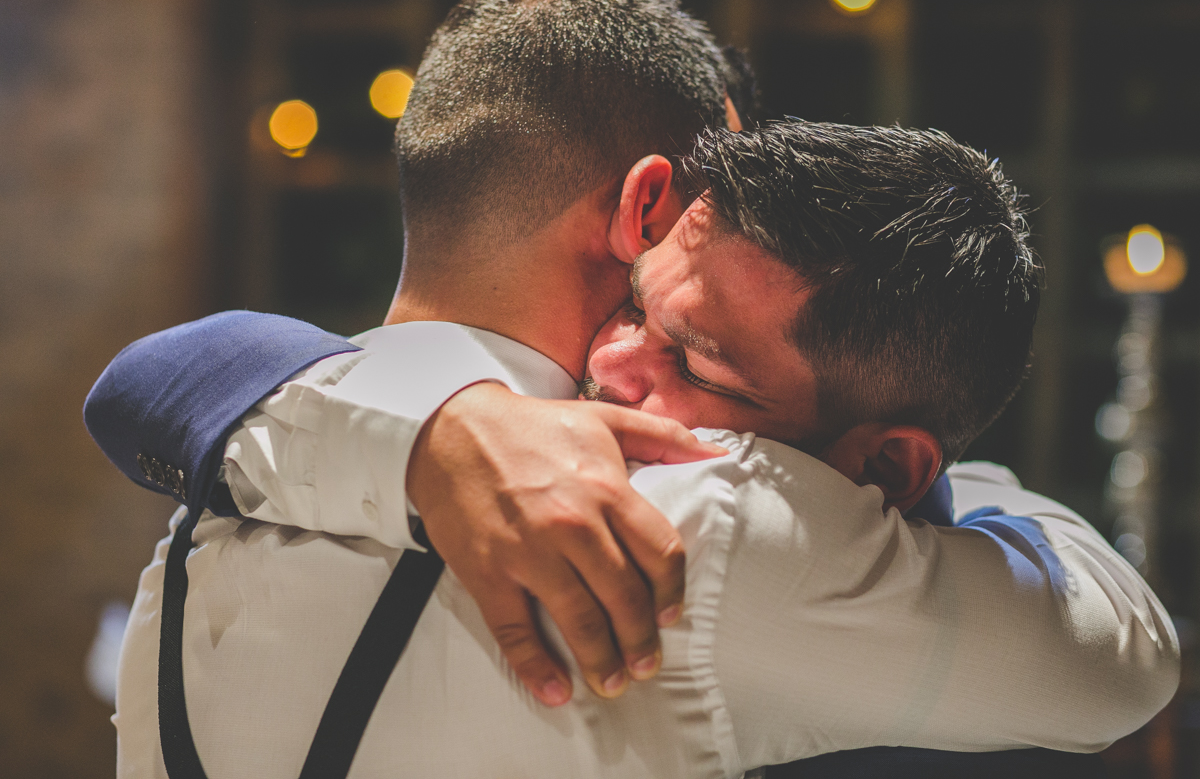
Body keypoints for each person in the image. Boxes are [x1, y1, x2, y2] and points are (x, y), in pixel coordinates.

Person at [95, 118, 1177, 778]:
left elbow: (155, 384)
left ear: (887, 469)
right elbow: (1126, 651)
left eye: (698, 364)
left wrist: (436, 428)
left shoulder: (728, 531)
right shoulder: (721, 521)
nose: (612, 363)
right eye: (631, 304)